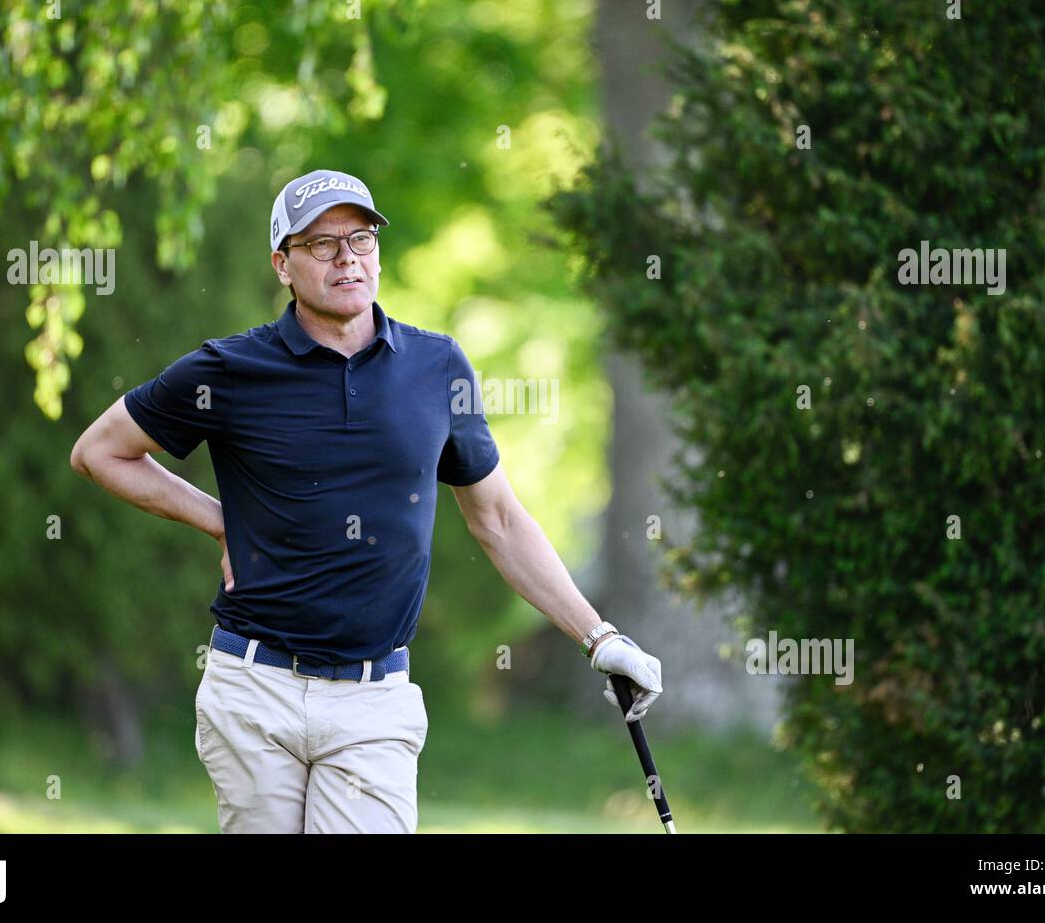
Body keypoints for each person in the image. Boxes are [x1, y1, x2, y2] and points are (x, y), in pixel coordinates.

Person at [70, 168, 664, 833]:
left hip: (373, 699)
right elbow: (100, 451)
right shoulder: (230, 371)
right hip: (253, 688)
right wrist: (218, 522)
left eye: (360, 238)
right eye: (321, 245)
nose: (346, 257)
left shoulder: (437, 369)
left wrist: (599, 637)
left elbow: (497, 519)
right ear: (283, 265)